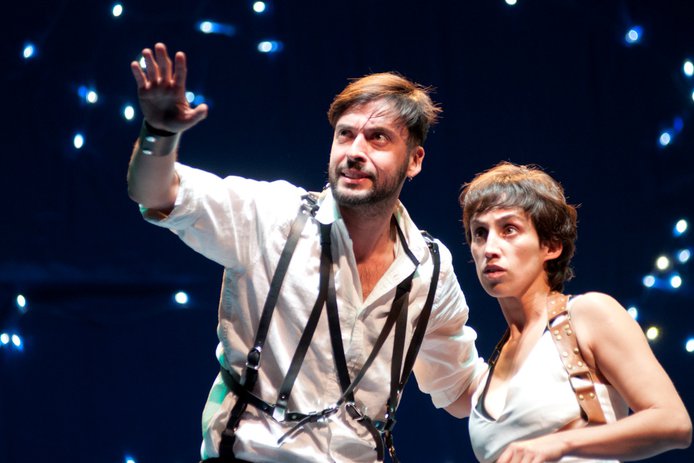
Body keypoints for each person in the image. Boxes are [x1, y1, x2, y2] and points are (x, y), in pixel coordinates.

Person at [127, 42, 485, 463]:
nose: (355, 151)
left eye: (378, 138)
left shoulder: (429, 267)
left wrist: (543, 374)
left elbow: (462, 390)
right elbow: (155, 193)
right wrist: (159, 135)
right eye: (345, 134)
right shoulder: (273, 217)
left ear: (414, 160)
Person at [458, 161, 692, 463]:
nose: (490, 248)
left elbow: (673, 421)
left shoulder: (587, 315)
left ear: (551, 246)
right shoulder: (490, 367)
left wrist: (559, 443)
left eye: (509, 229)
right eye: (480, 233)